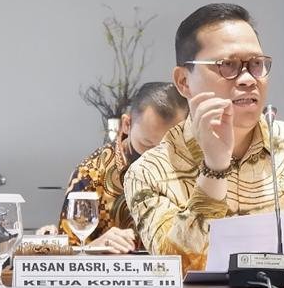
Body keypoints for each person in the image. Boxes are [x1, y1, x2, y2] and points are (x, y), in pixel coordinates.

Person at [125, 3, 284, 272]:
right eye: (227, 65)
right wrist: (215, 168)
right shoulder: (149, 172)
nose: (247, 79)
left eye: (256, 64)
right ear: (183, 81)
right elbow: (176, 268)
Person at [47, 82, 188, 253]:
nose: (157, 158)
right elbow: (66, 253)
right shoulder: (91, 172)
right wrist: (95, 247)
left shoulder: (196, 167)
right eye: (147, 145)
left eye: (170, 147)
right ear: (127, 124)